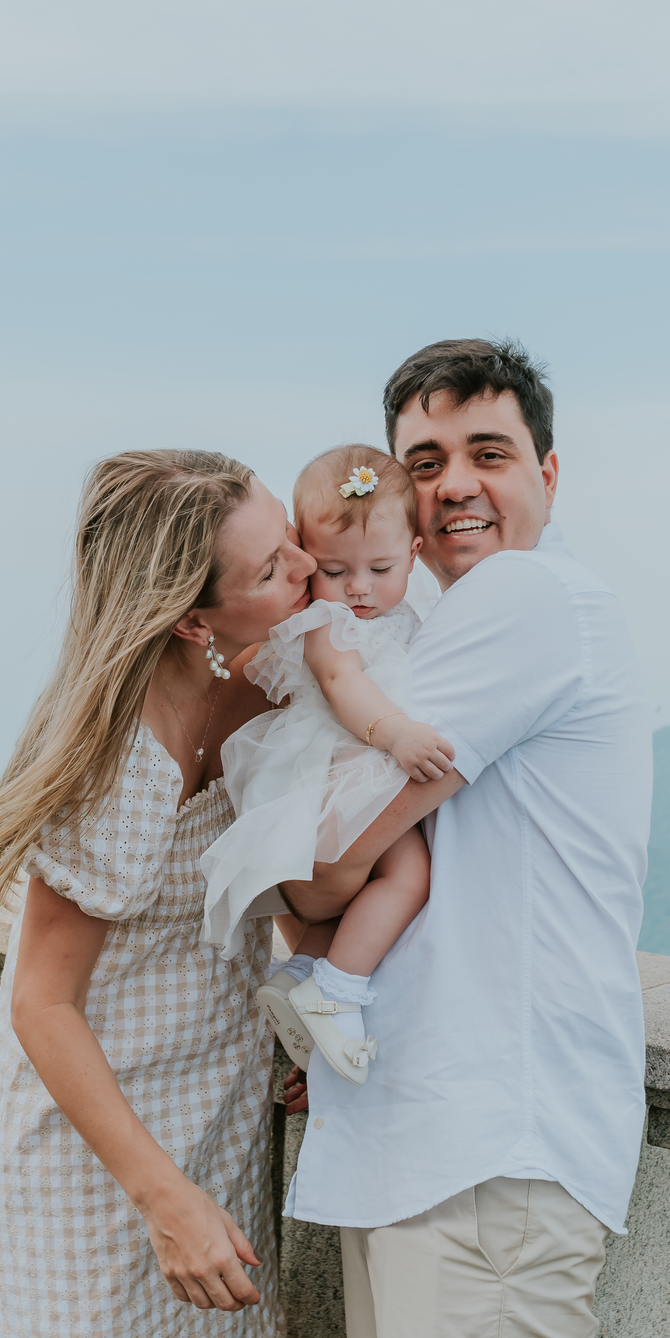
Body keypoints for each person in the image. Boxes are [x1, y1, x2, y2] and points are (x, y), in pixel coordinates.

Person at [280, 339, 653, 1338]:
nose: (453, 485)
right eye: (424, 461)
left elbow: (328, 859)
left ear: (549, 473)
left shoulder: (524, 597)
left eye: (488, 453)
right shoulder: (435, 627)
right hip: (435, 1134)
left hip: (490, 1145)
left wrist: (293, 900)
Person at [0, 450, 320, 1338]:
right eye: (272, 566)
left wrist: (301, 1026)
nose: (306, 569)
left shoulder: (263, 689)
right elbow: (41, 1004)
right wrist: (166, 1204)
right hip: (103, 1175)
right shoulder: (120, 762)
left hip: (216, 1129)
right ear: (193, 619)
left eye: (291, 540)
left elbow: (270, 891)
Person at [199, 443, 453, 1083]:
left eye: (380, 568)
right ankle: (337, 989)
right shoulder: (326, 621)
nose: (358, 588)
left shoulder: (402, 613)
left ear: (413, 554)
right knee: (409, 874)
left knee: (365, 889)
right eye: (335, 570)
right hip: (340, 760)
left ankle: (302, 972)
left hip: (354, 762)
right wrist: (393, 732)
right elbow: (341, 682)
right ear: (308, 558)